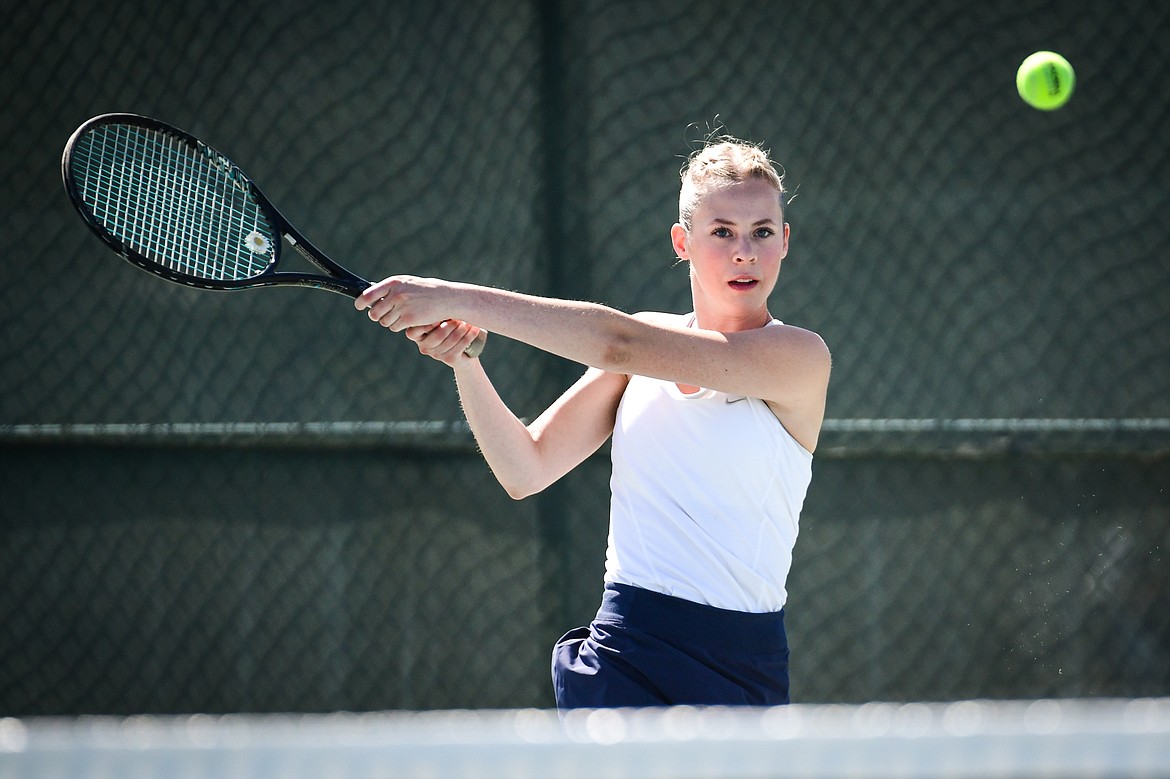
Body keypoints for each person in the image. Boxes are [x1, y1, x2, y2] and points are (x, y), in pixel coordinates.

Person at [355, 136, 831, 710]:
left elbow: (618, 344)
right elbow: (524, 467)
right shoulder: (640, 348)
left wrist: (452, 296)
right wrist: (465, 363)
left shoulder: (799, 358)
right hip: (621, 657)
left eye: (762, 231)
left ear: (785, 241)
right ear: (683, 242)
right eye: (722, 231)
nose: (744, 252)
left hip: (738, 670)